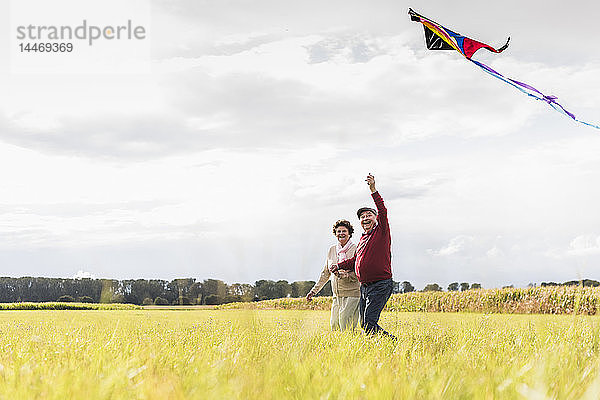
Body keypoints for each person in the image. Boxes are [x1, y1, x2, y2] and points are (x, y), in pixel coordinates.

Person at [330, 174, 396, 339]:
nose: (365, 218)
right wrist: (339, 265)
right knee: (364, 324)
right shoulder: (363, 238)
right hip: (365, 287)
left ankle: (393, 343)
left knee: (368, 323)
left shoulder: (381, 232)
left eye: (369, 215)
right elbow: (355, 260)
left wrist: (373, 189)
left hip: (380, 284)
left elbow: (382, 210)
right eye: (362, 217)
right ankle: (380, 346)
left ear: (375, 219)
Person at [306, 219, 360, 331]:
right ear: (335, 233)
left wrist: (342, 275)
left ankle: (351, 347)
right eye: (338, 231)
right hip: (336, 294)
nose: (341, 234)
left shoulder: (356, 249)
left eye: (344, 231)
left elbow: (360, 272)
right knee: (334, 324)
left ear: (349, 233)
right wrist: (313, 291)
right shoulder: (332, 250)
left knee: (346, 324)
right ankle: (338, 347)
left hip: (352, 294)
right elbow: (325, 273)